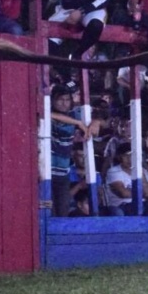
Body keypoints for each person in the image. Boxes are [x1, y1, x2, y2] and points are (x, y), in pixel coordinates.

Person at [49, 82, 101, 217]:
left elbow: (97, 116)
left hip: (63, 174)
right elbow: (47, 115)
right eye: (60, 99)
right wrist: (78, 123)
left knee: (62, 212)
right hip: (46, 174)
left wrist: (96, 122)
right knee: (47, 211)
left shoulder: (74, 113)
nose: (64, 103)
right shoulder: (46, 114)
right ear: (52, 100)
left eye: (67, 99)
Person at [103, 144, 135, 216]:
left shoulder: (142, 171)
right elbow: (123, 194)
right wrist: (141, 193)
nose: (129, 159)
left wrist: (129, 192)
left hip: (140, 204)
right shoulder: (113, 171)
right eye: (125, 156)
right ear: (119, 157)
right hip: (120, 206)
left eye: (131, 155)